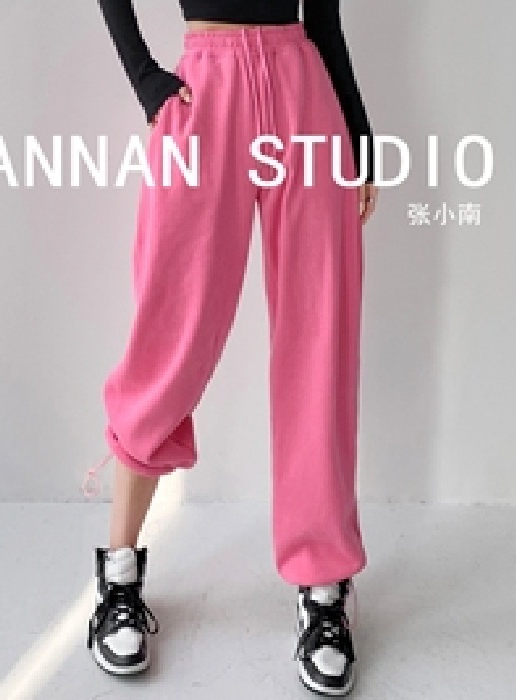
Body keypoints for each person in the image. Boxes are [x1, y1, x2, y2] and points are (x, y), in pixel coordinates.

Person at [84, 0, 378, 695]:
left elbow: (324, 21)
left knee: (320, 342)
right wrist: (145, 79)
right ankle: (119, 574)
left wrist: (360, 143)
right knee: (172, 336)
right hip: (203, 96)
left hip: (305, 96)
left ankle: (323, 586)